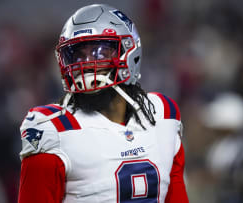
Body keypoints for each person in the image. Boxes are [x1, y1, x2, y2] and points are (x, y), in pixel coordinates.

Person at [18, 4, 189, 203]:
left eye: (100, 53)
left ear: (129, 51)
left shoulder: (162, 114)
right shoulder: (53, 128)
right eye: (78, 55)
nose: (87, 63)